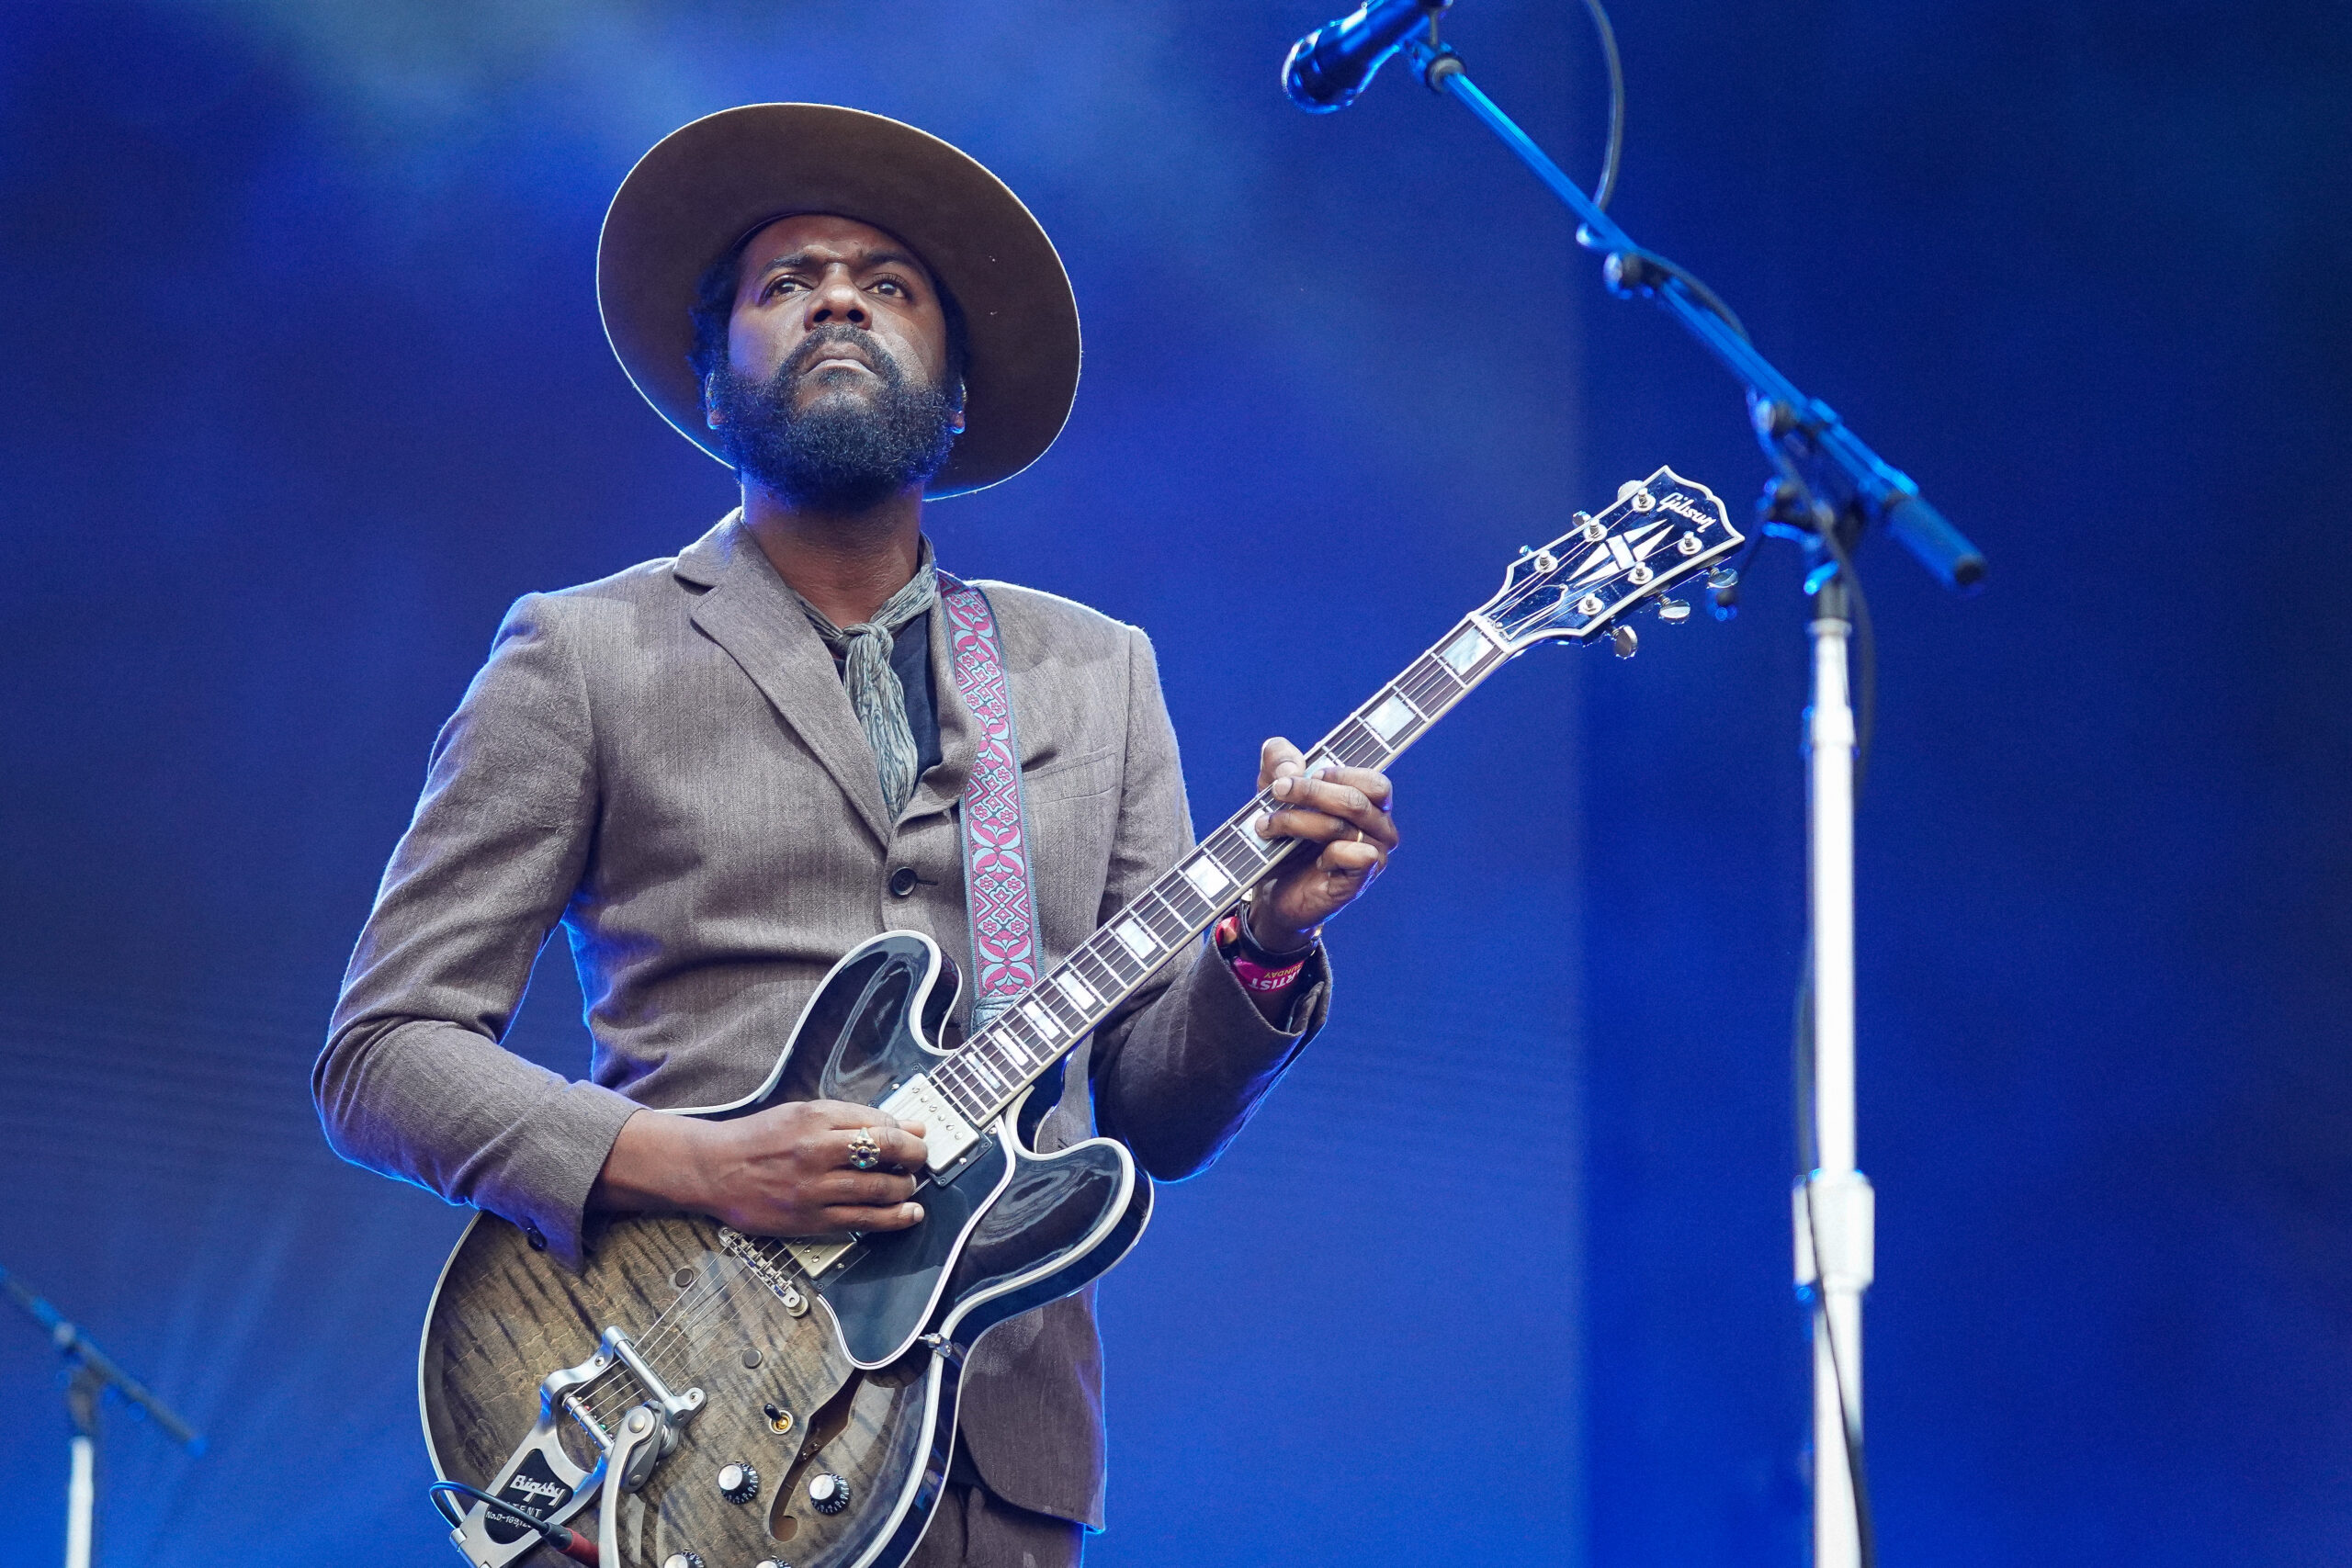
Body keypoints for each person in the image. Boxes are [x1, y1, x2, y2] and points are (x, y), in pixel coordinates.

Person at [315, 104, 1399, 1568]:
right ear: (713, 383)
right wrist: (695, 1165)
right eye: (788, 282)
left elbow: (1151, 1115)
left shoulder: (1095, 668)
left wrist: (1267, 942)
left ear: (955, 396)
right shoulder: (583, 653)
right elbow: (382, 1054)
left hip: (994, 1472)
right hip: (662, 1428)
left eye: (889, 286)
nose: (837, 298)